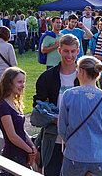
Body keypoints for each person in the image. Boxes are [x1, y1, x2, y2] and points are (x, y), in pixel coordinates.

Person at [58, 56, 102, 176]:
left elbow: (61, 129)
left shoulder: (69, 95)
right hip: (100, 159)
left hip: (74, 157)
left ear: (81, 71)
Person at [33, 34, 81, 176]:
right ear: (59, 51)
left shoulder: (84, 77)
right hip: (53, 138)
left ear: (78, 52)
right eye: (66, 51)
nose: (69, 55)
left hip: (77, 139)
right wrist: (55, 118)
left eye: (73, 51)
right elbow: (38, 109)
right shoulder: (47, 77)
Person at [0, 67, 37, 167]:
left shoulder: (14, 104)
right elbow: (12, 136)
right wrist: (29, 150)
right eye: (19, 82)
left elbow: (21, 130)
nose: (23, 86)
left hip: (22, 154)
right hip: (13, 156)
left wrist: (32, 147)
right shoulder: (3, 106)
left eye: (23, 82)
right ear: (9, 83)